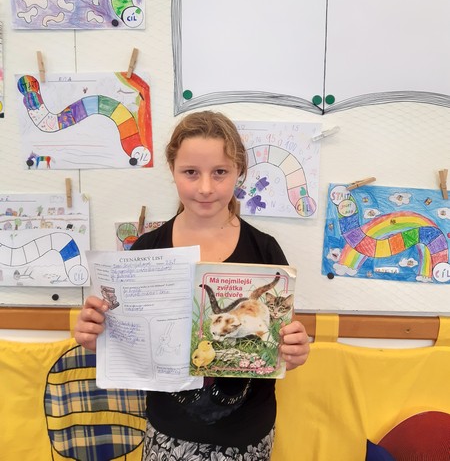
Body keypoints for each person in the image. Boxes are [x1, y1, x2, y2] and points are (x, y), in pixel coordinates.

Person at [74, 110, 310, 461]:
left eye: (220, 172)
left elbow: (277, 346)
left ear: (239, 171)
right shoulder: (147, 250)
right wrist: (99, 339)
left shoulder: (265, 251)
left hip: (247, 434)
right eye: (191, 172)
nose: (205, 187)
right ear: (172, 171)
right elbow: (129, 342)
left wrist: (294, 351)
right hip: (169, 431)